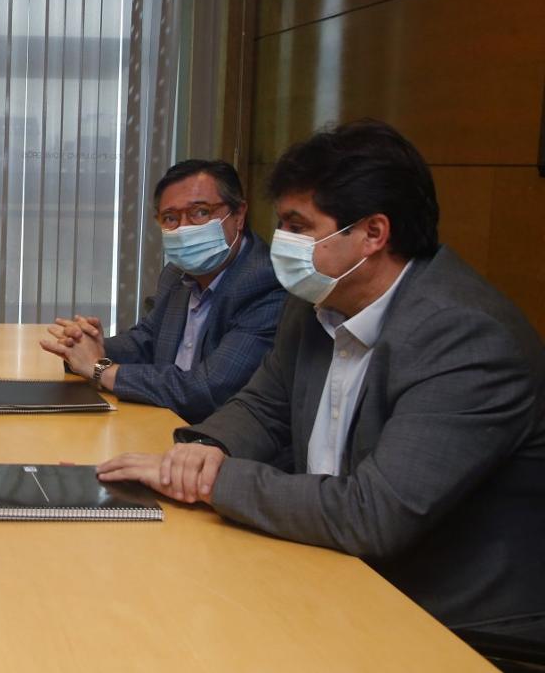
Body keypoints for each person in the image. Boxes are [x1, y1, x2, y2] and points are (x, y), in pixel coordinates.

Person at [97, 120, 545, 639]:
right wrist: (201, 448)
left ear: (373, 234)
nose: (281, 243)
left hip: (442, 622)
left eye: (298, 226)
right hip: (326, 572)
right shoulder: (314, 302)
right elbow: (263, 407)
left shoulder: (465, 338)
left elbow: (372, 514)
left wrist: (214, 481)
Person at [40, 160, 286, 423]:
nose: (184, 227)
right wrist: (86, 348)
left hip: (218, 444)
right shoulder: (176, 274)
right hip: (161, 422)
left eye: (200, 212)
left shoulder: (266, 282)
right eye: (170, 218)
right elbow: (146, 340)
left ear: (238, 215)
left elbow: (207, 389)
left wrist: (101, 369)